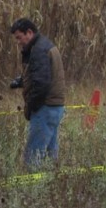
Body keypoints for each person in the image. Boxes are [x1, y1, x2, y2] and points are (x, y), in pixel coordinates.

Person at [10, 18, 66, 171]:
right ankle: (52, 188)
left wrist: (30, 107)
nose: (18, 42)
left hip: (44, 108)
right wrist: (22, 81)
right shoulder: (44, 46)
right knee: (50, 156)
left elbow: (41, 84)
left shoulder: (39, 50)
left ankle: (32, 189)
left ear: (29, 32)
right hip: (55, 106)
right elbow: (40, 75)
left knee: (33, 157)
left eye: (19, 37)